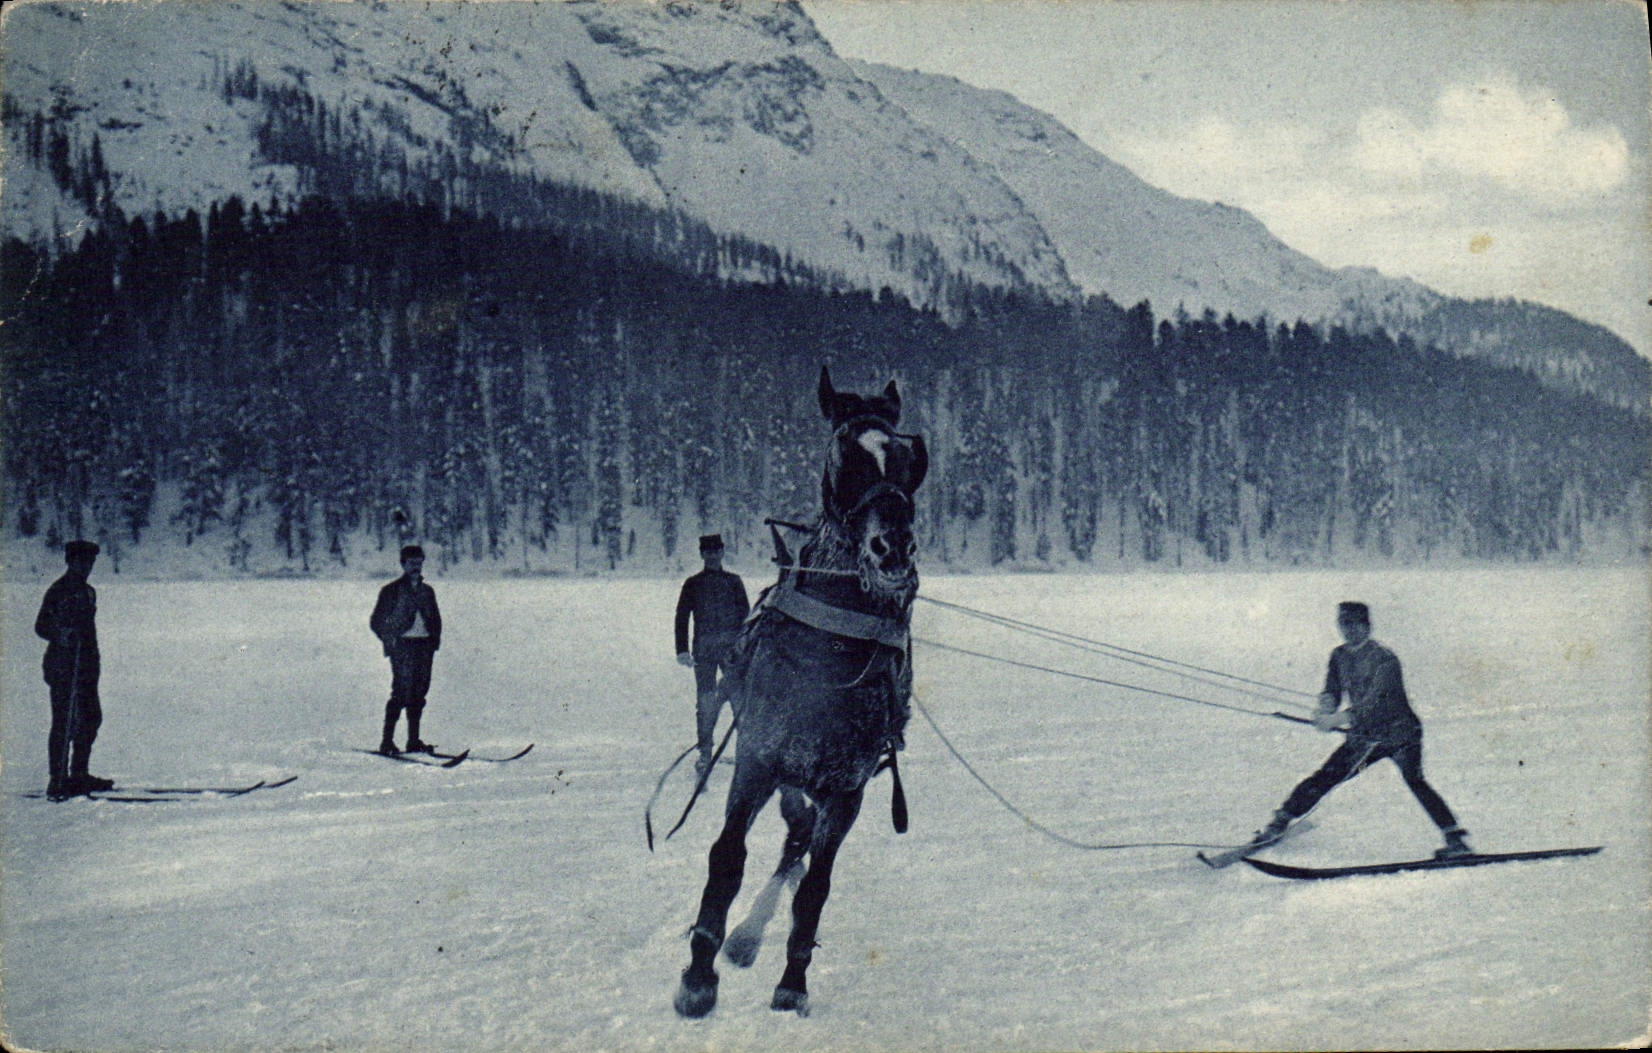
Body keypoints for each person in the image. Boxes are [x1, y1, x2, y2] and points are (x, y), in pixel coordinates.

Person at [1253, 601, 1472, 859]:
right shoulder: (1338, 656)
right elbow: (1333, 689)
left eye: (1356, 625)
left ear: (1367, 627)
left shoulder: (1385, 659)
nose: (1350, 631)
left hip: (1400, 733)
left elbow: (1376, 703)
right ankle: (1279, 822)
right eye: (1345, 625)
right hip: (1365, 735)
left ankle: (1456, 840)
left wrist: (1338, 719)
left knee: (1416, 782)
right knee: (1327, 776)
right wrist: (1325, 706)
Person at [35, 540, 113, 800]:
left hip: (87, 666)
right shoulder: (59, 590)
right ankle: (57, 779)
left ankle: (79, 774)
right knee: (64, 722)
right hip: (63, 666)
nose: (86, 566)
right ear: (70, 561)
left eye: (90, 562)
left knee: (91, 718)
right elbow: (41, 625)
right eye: (81, 561)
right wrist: (62, 633)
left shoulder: (88, 592)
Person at [674, 534, 749, 777]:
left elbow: (746, 618)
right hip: (704, 651)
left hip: (732, 651)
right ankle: (705, 753)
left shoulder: (734, 582)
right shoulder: (693, 584)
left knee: (740, 699)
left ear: (722, 552)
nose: (712, 555)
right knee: (706, 703)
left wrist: (746, 648)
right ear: (702, 554)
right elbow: (682, 617)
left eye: (716, 550)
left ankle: (746, 751)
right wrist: (682, 649)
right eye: (708, 551)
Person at [370, 545, 443, 754]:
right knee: (401, 692)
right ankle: (387, 742)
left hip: (424, 646)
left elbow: (436, 618)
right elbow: (376, 621)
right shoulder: (391, 591)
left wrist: (434, 640)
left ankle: (413, 741)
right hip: (402, 647)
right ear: (403, 564)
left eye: (419, 563)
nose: (416, 567)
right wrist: (389, 640)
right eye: (412, 563)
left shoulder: (427, 591)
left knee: (419, 693)